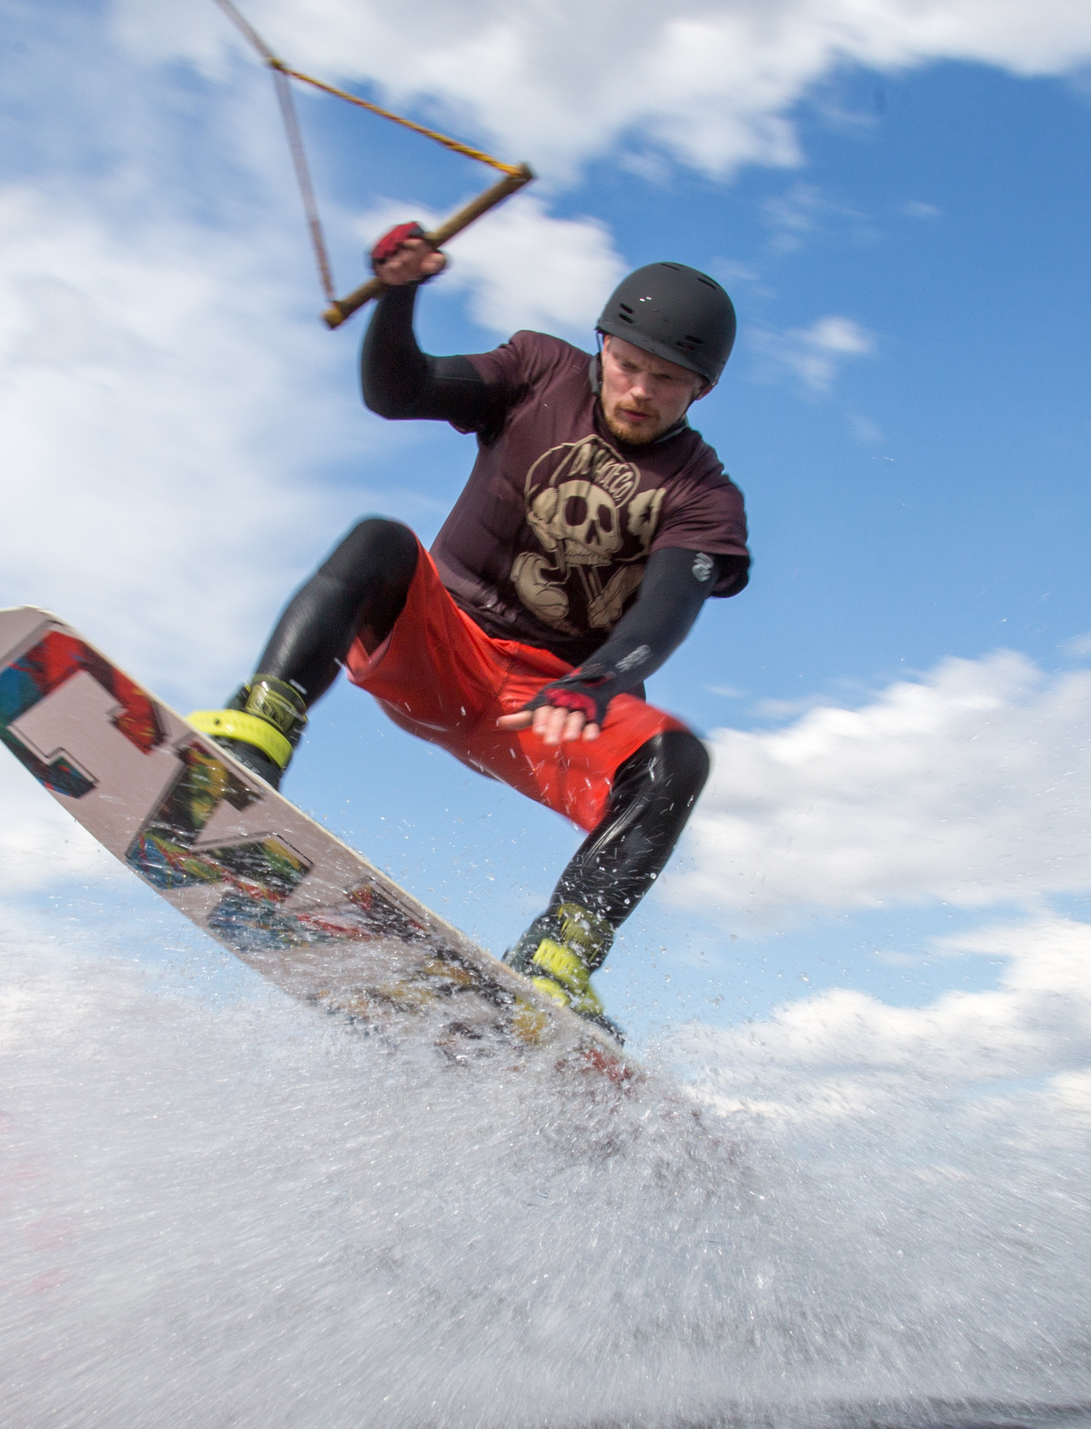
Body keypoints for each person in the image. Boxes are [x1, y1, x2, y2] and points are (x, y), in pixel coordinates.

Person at [189, 224, 751, 1033]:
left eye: (665, 381)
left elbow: (669, 605)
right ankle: (253, 737)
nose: (637, 391)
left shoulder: (704, 494)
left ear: (700, 389)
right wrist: (397, 294)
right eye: (626, 365)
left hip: (549, 705)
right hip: (439, 645)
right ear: (601, 342)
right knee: (381, 541)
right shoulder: (537, 372)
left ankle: (561, 956)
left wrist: (603, 677)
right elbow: (398, 391)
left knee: (676, 758)